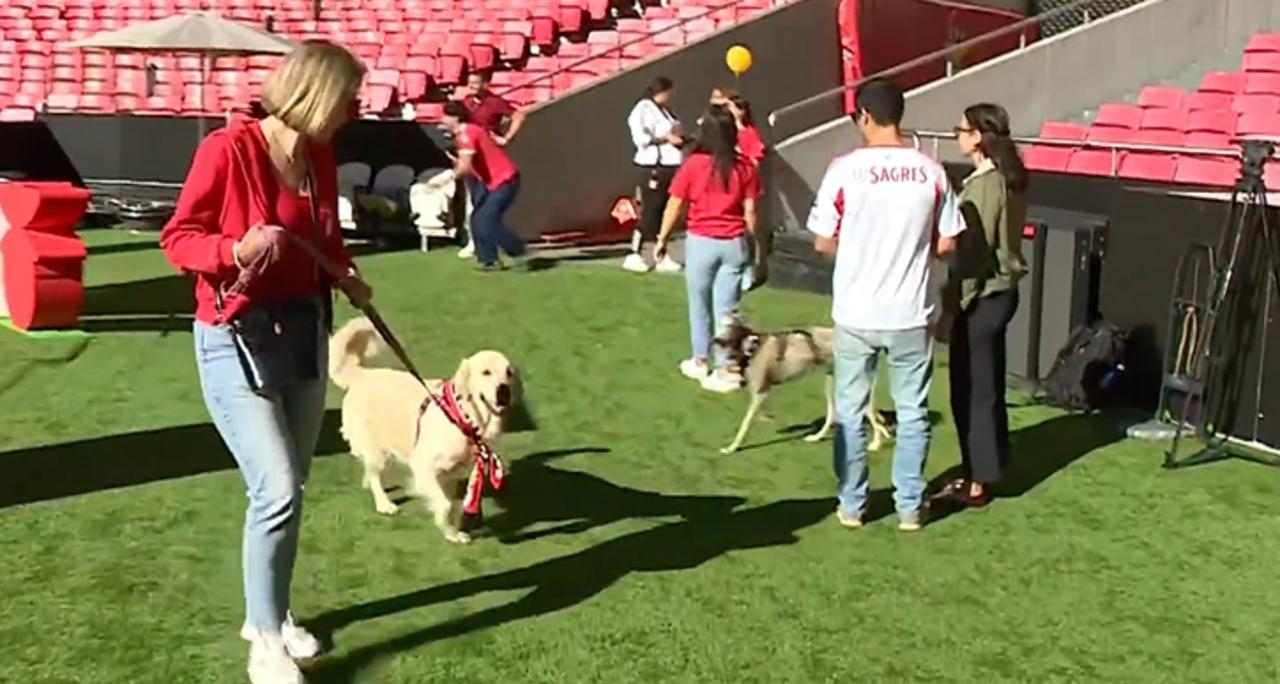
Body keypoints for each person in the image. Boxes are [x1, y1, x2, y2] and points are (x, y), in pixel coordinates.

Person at [158, 41, 373, 684]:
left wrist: (347, 274)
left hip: (304, 329)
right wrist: (233, 249)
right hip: (233, 336)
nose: (352, 113)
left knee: (291, 486)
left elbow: (326, 238)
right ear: (314, 94)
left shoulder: (320, 156)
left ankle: (269, 614)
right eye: (347, 100)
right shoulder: (226, 150)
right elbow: (178, 238)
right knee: (275, 487)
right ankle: (266, 646)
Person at [806, 78, 965, 532]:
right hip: (911, 313)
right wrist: (913, 252)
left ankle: (852, 504)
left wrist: (858, 251)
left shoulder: (844, 169)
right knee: (913, 412)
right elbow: (949, 239)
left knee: (851, 413)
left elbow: (822, 240)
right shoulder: (931, 170)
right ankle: (910, 507)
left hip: (856, 312)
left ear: (864, 116)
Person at [934, 103, 1028, 509]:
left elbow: (976, 249)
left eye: (961, 129)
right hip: (998, 293)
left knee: (973, 390)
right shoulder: (1003, 178)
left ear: (978, 137)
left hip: (985, 295)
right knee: (982, 388)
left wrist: (956, 304)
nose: (957, 135)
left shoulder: (988, 184)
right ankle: (982, 468)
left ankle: (978, 478)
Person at [655, 104, 760, 393]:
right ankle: (728, 368)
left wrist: (662, 238)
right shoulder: (745, 167)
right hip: (734, 241)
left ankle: (700, 360)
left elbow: (675, 204)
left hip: (702, 241)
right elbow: (751, 213)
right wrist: (754, 246)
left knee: (699, 303)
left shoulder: (693, 165)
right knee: (727, 310)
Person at [441, 100, 528, 272]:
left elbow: (465, 166)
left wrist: (447, 178)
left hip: (505, 179)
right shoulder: (467, 133)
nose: (442, 121)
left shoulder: (466, 134)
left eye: (445, 117)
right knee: (478, 219)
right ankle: (487, 259)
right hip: (495, 182)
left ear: (455, 118)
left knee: (487, 218)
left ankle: (516, 248)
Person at [625, 76, 684, 274]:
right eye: (669, 91)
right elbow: (640, 137)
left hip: (669, 164)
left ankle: (661, 253)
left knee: (665, 211)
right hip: (652, 165)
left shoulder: (666, 111)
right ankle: (635, 252)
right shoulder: (643, 108)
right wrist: (665, 138)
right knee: (650, 209)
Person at [727, 94, 765, 166]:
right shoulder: (724, 131)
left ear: (741, 111)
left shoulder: (749, 132)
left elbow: (755, 161)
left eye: (730, 107)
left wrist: (741, 155)